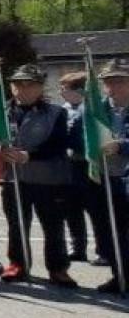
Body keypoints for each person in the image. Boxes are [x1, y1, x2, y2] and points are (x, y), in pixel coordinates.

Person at [0, 63, 76, 286]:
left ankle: (58, 269)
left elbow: (58, 145)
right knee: (17, 225)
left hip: (49, 179)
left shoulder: (57, 113)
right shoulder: (0, 112)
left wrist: (29, 156)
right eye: (18, 84)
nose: (24, 89)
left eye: (30, 85)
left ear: (40, 88)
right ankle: (18, 264)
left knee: (53, 227)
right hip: (14, 180)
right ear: (11, 87)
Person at [90, 59, 129, 293]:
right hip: (104, 178)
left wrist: (122, 146)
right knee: (109, 231)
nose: (113, 86)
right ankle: (120, 274)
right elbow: (80, 136)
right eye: (108, 82)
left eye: (119, 81)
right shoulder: (96, 109)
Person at [59, 72, 93, 264]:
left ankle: (104, 250)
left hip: (87, 164)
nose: (62, 93)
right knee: (71, 208)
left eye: (65, 89)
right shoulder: (63, 110)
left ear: (79, 90)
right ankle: (78, 247)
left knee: (95, 209)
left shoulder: (91, 110)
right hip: (69, 165)